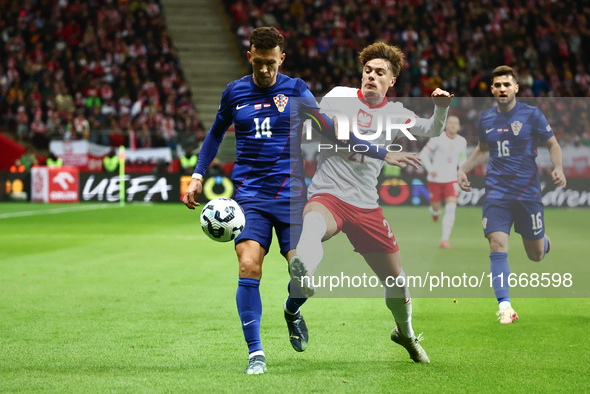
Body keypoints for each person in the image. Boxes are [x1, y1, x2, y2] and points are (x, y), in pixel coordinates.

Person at [182, 27, 396, 375]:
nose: (266, 71)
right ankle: (255, 353)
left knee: (305, 278)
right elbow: (215, 133)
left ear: (282, 59)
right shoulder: (234, 93)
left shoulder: (296, 90)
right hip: (250, 198)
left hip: (293, 198)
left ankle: (292, 310)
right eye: (260, 63)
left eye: (272, 64)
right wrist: (197, 175)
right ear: (250, 57)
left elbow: (329, 126)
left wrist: (379, 151)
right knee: (249, 265)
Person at [288, 42, 453, 363]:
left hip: (365, 205)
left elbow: (432, 129)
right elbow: (319, 124)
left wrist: (441, 107)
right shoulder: (338, 96)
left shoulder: (396, 114)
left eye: (380, 73)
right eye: (368, 71)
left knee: (397, 281)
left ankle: (404, 333)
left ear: (392, 81)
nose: (371, 77)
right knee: (313, 223)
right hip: (328, 192)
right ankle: (304, 270)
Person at [457, 65, 566, 324]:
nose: (502, 89)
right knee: (497, 244)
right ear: (492, 89)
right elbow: (483, 150)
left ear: (516, 88)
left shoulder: (532, 115)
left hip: (528, 194)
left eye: (507, 84)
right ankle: (505, 306)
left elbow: (552, 143)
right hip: (497, 193)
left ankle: (544, 242)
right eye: (498, 85)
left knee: (536, 254)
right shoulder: (485, 119)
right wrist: (463, 168)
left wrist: (558, 167)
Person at [418, 115, 467, 249]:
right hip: (435, 179)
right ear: (445, 125)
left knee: (451, 208)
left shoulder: (462, 141)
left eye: (455, 123)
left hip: (451, 179)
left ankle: (444, 240)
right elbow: (423, 154)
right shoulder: (437, 138)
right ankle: (435, 212)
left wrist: (462, 172)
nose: (452, 125)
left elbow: (462, 159)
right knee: (436, 208)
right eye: (450, 122)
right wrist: (430, 169)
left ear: (459, 127)